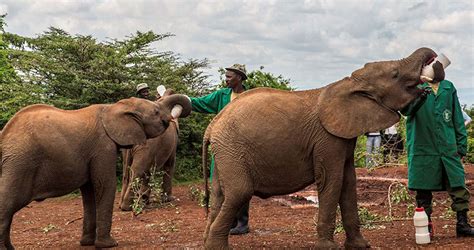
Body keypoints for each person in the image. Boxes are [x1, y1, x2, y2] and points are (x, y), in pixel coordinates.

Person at [401, 74, 474, 238]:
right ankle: (425, 226)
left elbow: (457, 117)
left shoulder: (448, 87)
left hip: (448, 146)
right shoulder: (416, 88)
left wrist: (461, 146)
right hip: (423, 146)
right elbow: (406, 110)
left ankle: (462, 224)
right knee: (423, 189)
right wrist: (421, 94)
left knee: (458, 185)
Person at [190, 63, 250, 235]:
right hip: (224, 146)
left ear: (239, 77)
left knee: (242, 185)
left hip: (244, 147)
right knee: (220, 185)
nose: (226, 79)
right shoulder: (222, 95)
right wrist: (184, 100)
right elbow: (201, 103)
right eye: (226, 76)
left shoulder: (249, 97)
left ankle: (243, 222)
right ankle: (228, 222)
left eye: (229, 77)